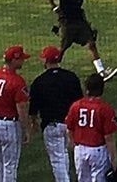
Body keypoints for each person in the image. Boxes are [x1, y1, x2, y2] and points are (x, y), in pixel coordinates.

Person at [46, 0, 117, 80]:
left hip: (79, 19)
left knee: (91, 43)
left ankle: (101, 72)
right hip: (67, 21)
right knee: (63, 49)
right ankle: (51, 71)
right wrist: (55, 8)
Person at [30, 45, 83, 182]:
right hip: (71, 125)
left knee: (58, 160)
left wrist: (33, 122)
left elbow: (33, 107)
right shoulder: (71, 77)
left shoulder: (39, 81)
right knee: (70, 156)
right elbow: (80, 102)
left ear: (46, 61)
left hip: (51, 126)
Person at [0, 45, 32, 182]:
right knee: (10, 166)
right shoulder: (17, 81)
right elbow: (21, 108)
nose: (23, 61)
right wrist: (26, 128)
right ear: (14, 60)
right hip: (8, 126)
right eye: (21, 59)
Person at [65, 73, 117, 182]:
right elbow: (109, 138)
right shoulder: (105, 108)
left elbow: (69, 129)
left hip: (80, 150)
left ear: (86, 89)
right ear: (102, 89)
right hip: (97, 151)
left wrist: (73, 147)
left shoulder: (75, 105)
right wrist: (114, 161)